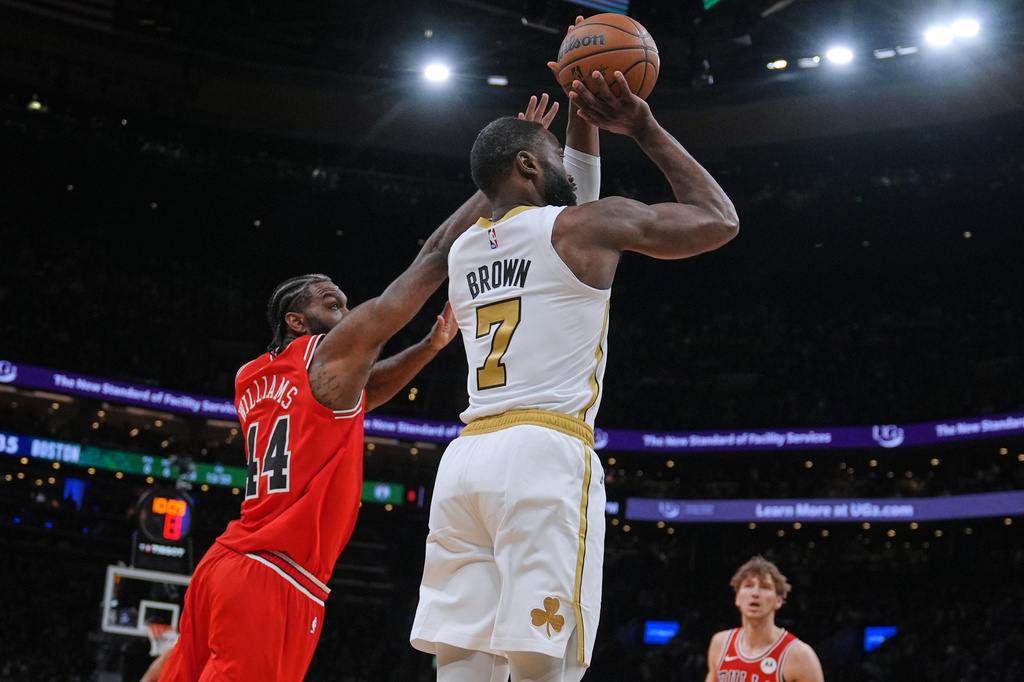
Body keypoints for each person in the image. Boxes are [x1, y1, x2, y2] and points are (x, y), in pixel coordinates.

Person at [154, 96, 562, 682]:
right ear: (296, 321)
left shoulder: (252, 377)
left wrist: (425, 350)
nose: (345, 311)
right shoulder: (330, 356)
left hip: (221, 564)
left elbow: (357, 398)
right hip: (276, 571)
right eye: (329, 302)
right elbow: (435, 254)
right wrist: (497, 182)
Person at [409, 67, 740, 682]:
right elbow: (718, 219)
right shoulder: (582, 230)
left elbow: (548, 205)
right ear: (529, 169)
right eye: (549, 152)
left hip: (466, 459)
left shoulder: (460, 250)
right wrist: (643, 126)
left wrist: (577, 114)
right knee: (543, 660)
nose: (562, 160)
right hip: (544, 452)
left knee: (461, 656)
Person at [705, 556, 825, 682]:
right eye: (748, 585)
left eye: (765, 587)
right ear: (737, 598)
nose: (755, 593)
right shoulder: (720, 643)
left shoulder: (798, 655)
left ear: (778, 600)